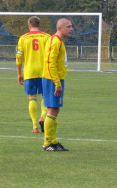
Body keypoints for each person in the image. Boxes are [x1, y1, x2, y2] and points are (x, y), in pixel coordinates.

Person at [41, 18, 73, 151]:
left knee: (54, 110)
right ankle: (47, 143)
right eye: (68, 26)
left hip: (54, 79)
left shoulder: (58, 41)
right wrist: (57, 83)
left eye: (71, 26)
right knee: (52, 109)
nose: (71, 29)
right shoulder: (55, 41)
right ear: (60, 28)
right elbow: (50, 63)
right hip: (52, 80)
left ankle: (53, 141)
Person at [16, 16, 51, 133]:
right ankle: (43, 117)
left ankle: (35, 127)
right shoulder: (47, 37)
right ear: (39, 25)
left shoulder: (23, 38)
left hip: (29, 72)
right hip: (44, 72)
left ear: (29, 25)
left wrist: (19, 73)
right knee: (45, 96)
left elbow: (19, 57)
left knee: (32, 98)